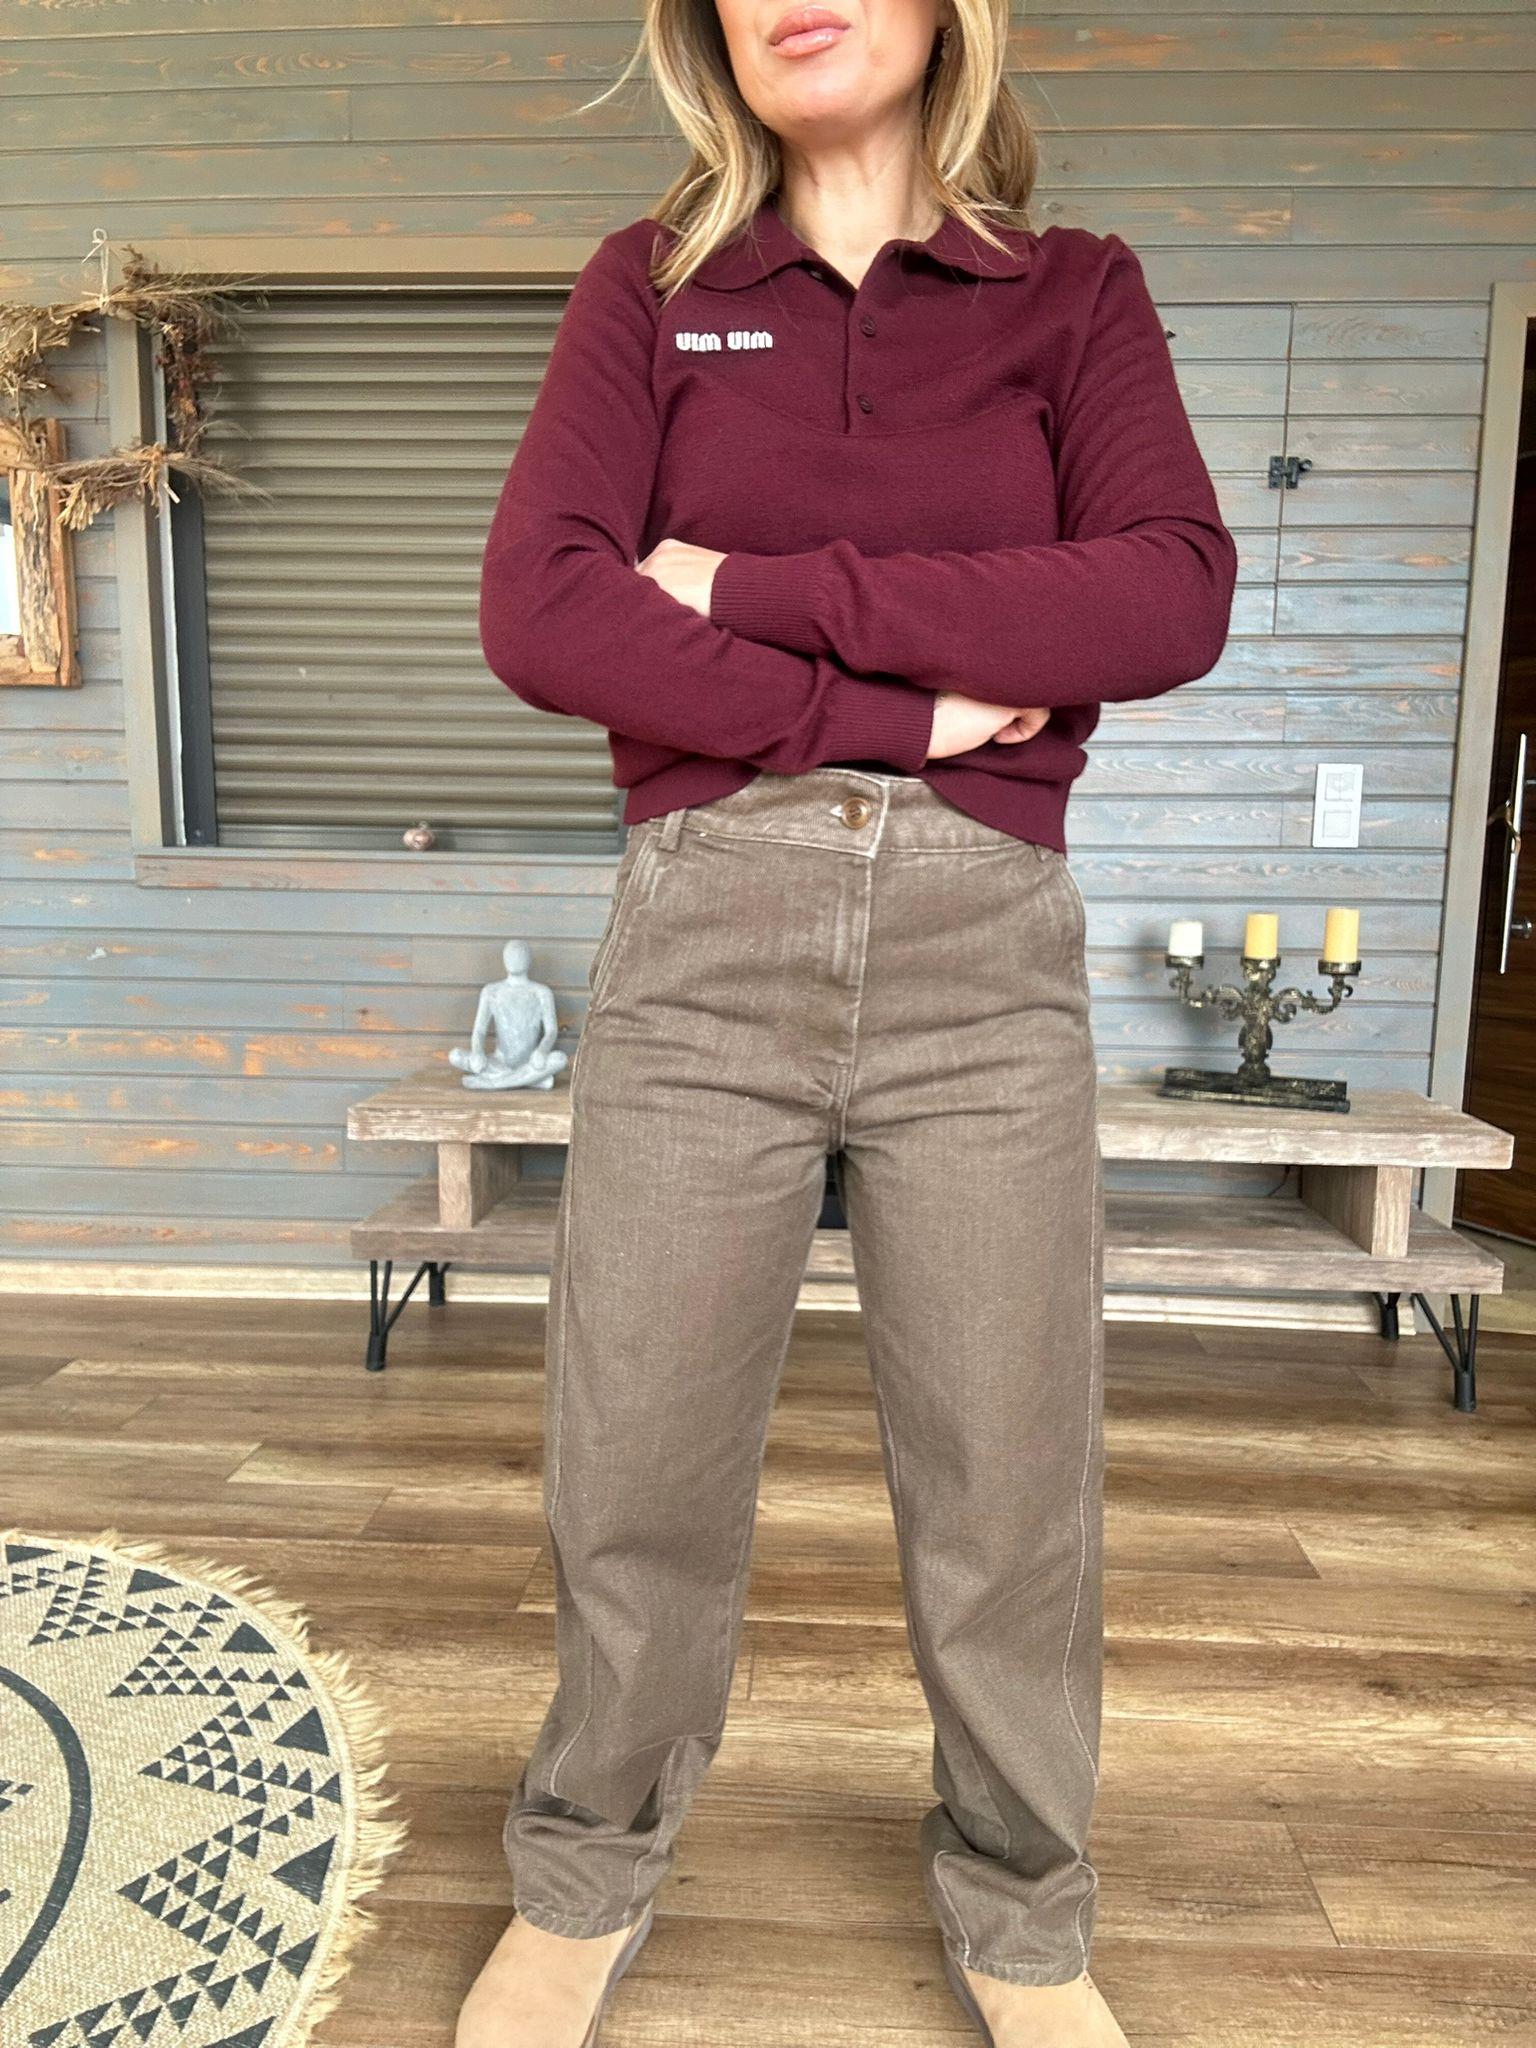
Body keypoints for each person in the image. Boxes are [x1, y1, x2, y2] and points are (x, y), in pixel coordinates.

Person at [460, 1, 1237, 2041]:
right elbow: (544, 604)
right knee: (637, 1447)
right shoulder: (650, 286)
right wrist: (896, 713)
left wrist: (748, 589)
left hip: (985, 950)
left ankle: (1025, 1913)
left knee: (1007, 1473)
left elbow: (1164, 594)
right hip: (708, 928)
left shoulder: (1072, 294)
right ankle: (586, 1865)